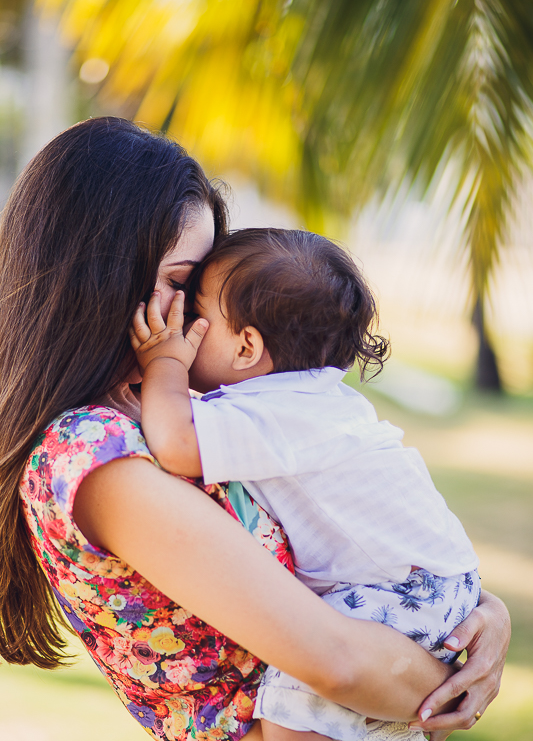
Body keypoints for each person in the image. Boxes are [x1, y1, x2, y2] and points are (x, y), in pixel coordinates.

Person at [0, 117, 509, 741]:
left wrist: (481, 614)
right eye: (182, 283)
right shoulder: (92, 457)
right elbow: (339, 664)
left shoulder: (171, 406)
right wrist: (460, 667)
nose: (194, 318)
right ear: (99, 271)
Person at [130, 228, 481, 741]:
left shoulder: (271, 412)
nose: (178, 321)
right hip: (440, 582)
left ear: (247, 345)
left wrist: (162, 363)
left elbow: (176, 444)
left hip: (400, 593)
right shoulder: (312, 399)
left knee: (295, 700)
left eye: (194, 310)